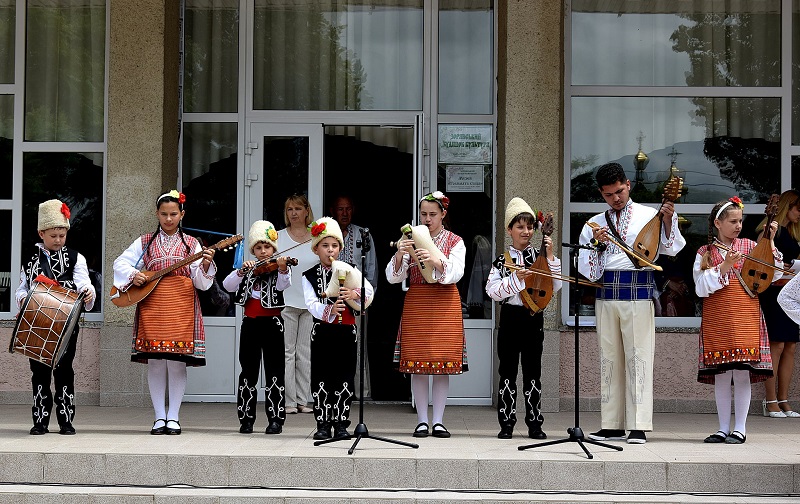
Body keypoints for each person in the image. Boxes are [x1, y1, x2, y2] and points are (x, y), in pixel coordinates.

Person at [578, 162, 686, 445]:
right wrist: (598, 247)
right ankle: (612, 424)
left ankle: (638, 425)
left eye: (620, 191)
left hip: (638, 292)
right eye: (609, 194)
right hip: (606, 295)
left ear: (628, 184)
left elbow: (672, 248)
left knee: (638, 358)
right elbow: (588, 273)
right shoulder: (594, 224)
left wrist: (667, 220)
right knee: (609, 359)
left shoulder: (649, 215)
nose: (616, 198)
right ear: (601, 193)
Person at [112, 190, 217, 435]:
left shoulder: (192, 243)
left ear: (182, 214)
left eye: (173, 214)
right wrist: (134, 274)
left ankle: (174, 417)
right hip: (153, 302)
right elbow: (120, 262)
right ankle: (159, 417)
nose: (168, 219)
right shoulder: (145, 241)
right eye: (163, 214)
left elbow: (201, 283)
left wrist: (206, 264)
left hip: (181, 305)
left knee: (177, 362)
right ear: (157, 214)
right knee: (157, 361)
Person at [694, 197, 778, 444]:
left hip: (745, 316)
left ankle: (740, 428)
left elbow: (769, 275)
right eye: (733, 221)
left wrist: (769, 241)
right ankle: (722, 428)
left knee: (741, 374)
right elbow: (700, 287)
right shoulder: (705, 252)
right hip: (718, 318)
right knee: (722, 374)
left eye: (740, 221)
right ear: (718, 223)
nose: (738, 225)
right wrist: (724, 267)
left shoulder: (752, 246)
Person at [387, 191, 466, 439]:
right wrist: (401, 252)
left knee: (442, 364)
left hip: (444, 302)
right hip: (418, 300)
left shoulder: (455, 241)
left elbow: (456, 272)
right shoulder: (411, 238)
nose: (428, 218)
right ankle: (422, 421)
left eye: (433, 214)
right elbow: (393, 277)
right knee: (417, 364)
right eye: (424, 214)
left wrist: (435, 259)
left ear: (443, 214)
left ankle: (439, 421)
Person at [16, 199, 97, 435]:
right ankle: (40, 420)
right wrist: (24, 299)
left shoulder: (76, 258)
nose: (59, 240)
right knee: (39, 373)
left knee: (64, 371)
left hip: (66, 325)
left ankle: (66, 421)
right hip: (37, 324)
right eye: (54, 235)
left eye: (62, 235)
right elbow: (21, 289)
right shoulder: (29, 261)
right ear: (41, 233)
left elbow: (85, 287)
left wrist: (88, 292)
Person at [486, 197, 562, 440]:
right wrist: (516, 279)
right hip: (510, 319)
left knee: (533, 372)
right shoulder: (501, 261)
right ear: (510, 230)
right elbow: (492, 291)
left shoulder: (540, 257)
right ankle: (506, 423)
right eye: (520, 227)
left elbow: (556, 287)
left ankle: (535, 424)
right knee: (507, 371)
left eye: (530, 227)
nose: (526, 231)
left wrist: (551, 258)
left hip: (533, 320)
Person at [302, 216, 374, 440]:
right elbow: (311, 303)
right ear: (316, 249)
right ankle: (323, 423)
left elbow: (369, 293)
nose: (330, 250)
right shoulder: (309, 275)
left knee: (344, 375)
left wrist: (354, 294)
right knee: (322, 376)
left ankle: (342, 423)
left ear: (340, 248)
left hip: (346, 331)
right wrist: (330, 311)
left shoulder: (351, 269)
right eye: (325, 246)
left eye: (334, 246)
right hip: (323, 331)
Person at [222, 220, 292, 434]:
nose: (263, 252)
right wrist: (241, 272)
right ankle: (246, 419)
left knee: (274, 372)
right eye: (259, 248)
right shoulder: (248, 269)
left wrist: (281, 268)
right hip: (250, 323)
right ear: (253, 250)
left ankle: (276, 420)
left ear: (274, 249)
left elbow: (283, 284)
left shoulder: (279, 269)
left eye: (267, 247)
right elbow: (227, 285)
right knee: (248, 372)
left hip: (273, 323)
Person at [756, 189, 800, 418]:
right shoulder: (771, 230)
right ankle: (770, 400)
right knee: (777, 345)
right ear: (787, 206)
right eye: (797, 208)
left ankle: (784, 400)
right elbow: (760, 260)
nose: (799, 214)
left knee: (790, 346)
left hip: (791, 294)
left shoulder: (792, 233)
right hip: (773, 293)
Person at [331, 194, 377, 399]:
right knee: (333, 347)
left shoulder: (363, 234)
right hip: (331, 302)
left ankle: (361, 393)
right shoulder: (328, 234)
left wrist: (364, 298)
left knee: (358, 347)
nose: (344, 213)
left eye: (348, 208)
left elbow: (372, 270)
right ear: (333, 211)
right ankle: (334, 392)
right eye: (340, 209)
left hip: (357, 300)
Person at [277, 194, 317, 414]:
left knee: (305, 353)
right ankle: (289, 401)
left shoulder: (316, 236)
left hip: (310, 303)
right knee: (287, 352)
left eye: (298, 209)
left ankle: (303, 400)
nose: (294, 213)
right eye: (290, 209)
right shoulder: (279, 237)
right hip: (286, 303)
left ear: (306, 211)